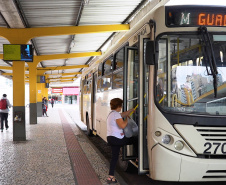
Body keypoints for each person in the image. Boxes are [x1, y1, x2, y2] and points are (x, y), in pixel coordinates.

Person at [106, 98, 138, 184]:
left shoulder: (112, 114)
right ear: (119, 106)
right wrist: (128, 119)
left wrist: (130, 111)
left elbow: (122, 114)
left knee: (114, 157)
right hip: (117, 139)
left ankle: (111, 177)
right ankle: (138, 158)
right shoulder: (116, 115)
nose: (121, 107)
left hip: (111, 138)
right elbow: (123, 126)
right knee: (135, 139)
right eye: (121, 105)